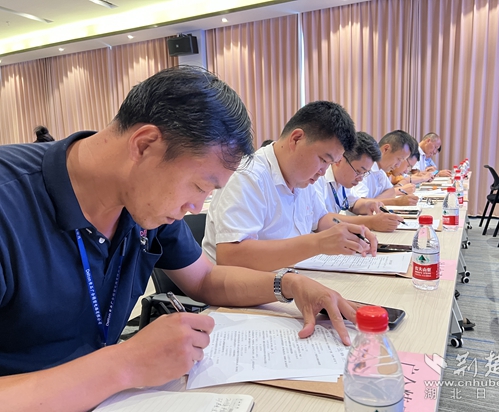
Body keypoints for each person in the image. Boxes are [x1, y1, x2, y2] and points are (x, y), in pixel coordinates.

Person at [0, 66, 361, 411]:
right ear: (145, 145)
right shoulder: (10, 203)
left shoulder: (143, 200)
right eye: (200, 186)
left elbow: (205, 278)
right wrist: (124, 363)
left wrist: (288, 285)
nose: (196, 207)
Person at [202, 101, 377, 272]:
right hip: (245, 286)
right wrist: (317, 243)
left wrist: (355, 232)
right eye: (323, 160)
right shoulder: (248, 176)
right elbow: (231, 257)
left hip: (290, 276)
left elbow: (320, 219)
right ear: (296, 139)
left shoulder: (304, 178)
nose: (323, 172)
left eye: (330, 164)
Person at [314, 131, 403, 232]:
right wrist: (370, 222)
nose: (360, 178)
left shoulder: (343, 180)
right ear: (340, 159)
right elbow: (321, 220)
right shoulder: (317, 179)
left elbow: (354, 203)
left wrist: (368, 205)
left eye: (365, 173)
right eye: (358, 171)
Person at [350, 130, 419, 206]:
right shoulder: (364, 169)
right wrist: (395, 202)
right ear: (386, 149)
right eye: (399, 159)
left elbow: (391, 191)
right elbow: (358, 203)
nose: (398, 165)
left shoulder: (381, 171)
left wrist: (373, 201)